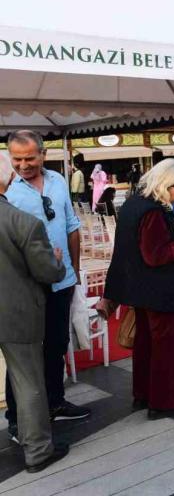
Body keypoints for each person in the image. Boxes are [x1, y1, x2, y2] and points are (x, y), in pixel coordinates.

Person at [99, 159, 174, 419]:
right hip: (159, 289)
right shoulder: (154, 212)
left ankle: (144, 395)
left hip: (137, 288)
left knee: (146, 345)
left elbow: (124, 251)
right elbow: (156, 255)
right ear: (166, 183)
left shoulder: (133, 204)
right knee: (167, 347)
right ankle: (165, 402)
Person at [5, 130, 90, 436]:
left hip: (62, 280)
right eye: (17, 159)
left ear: (42, 154)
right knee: (25, 354)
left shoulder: (57, 181)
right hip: (30, 286)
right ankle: (17, 420)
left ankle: (55, 402)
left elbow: (71, 226)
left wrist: (75, 270)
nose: (23, 164)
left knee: (56, 344)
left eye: (29, 158)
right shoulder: (8, 191)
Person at [0, 151, 70, 473]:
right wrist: (55, 260)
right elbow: (49, 273)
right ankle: (38, 450)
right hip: (17, 313)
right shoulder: (23, 222)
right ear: (8, 178)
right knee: (28, 382)